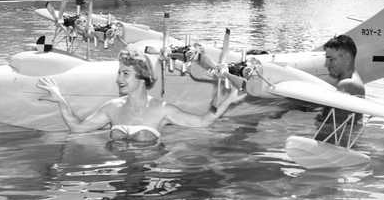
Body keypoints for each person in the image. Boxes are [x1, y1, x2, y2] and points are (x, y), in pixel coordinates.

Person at [37, 49, 243, 142]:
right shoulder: (112, 107)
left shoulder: (161, 109)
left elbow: (203, 122)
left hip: (148, 183)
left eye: (125, 74)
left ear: (142, 77)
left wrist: (226, 100)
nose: (119, 79)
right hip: (116, 177)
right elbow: (78, 128)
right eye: (118, 73)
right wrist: (60, 100)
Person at [315, 34, 366, 146]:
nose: (326, 64)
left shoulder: (347, 85)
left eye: (331, 59)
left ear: (347, 58)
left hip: (335, 147)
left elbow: (333, 128)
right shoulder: (348, 80)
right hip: (341, 145)